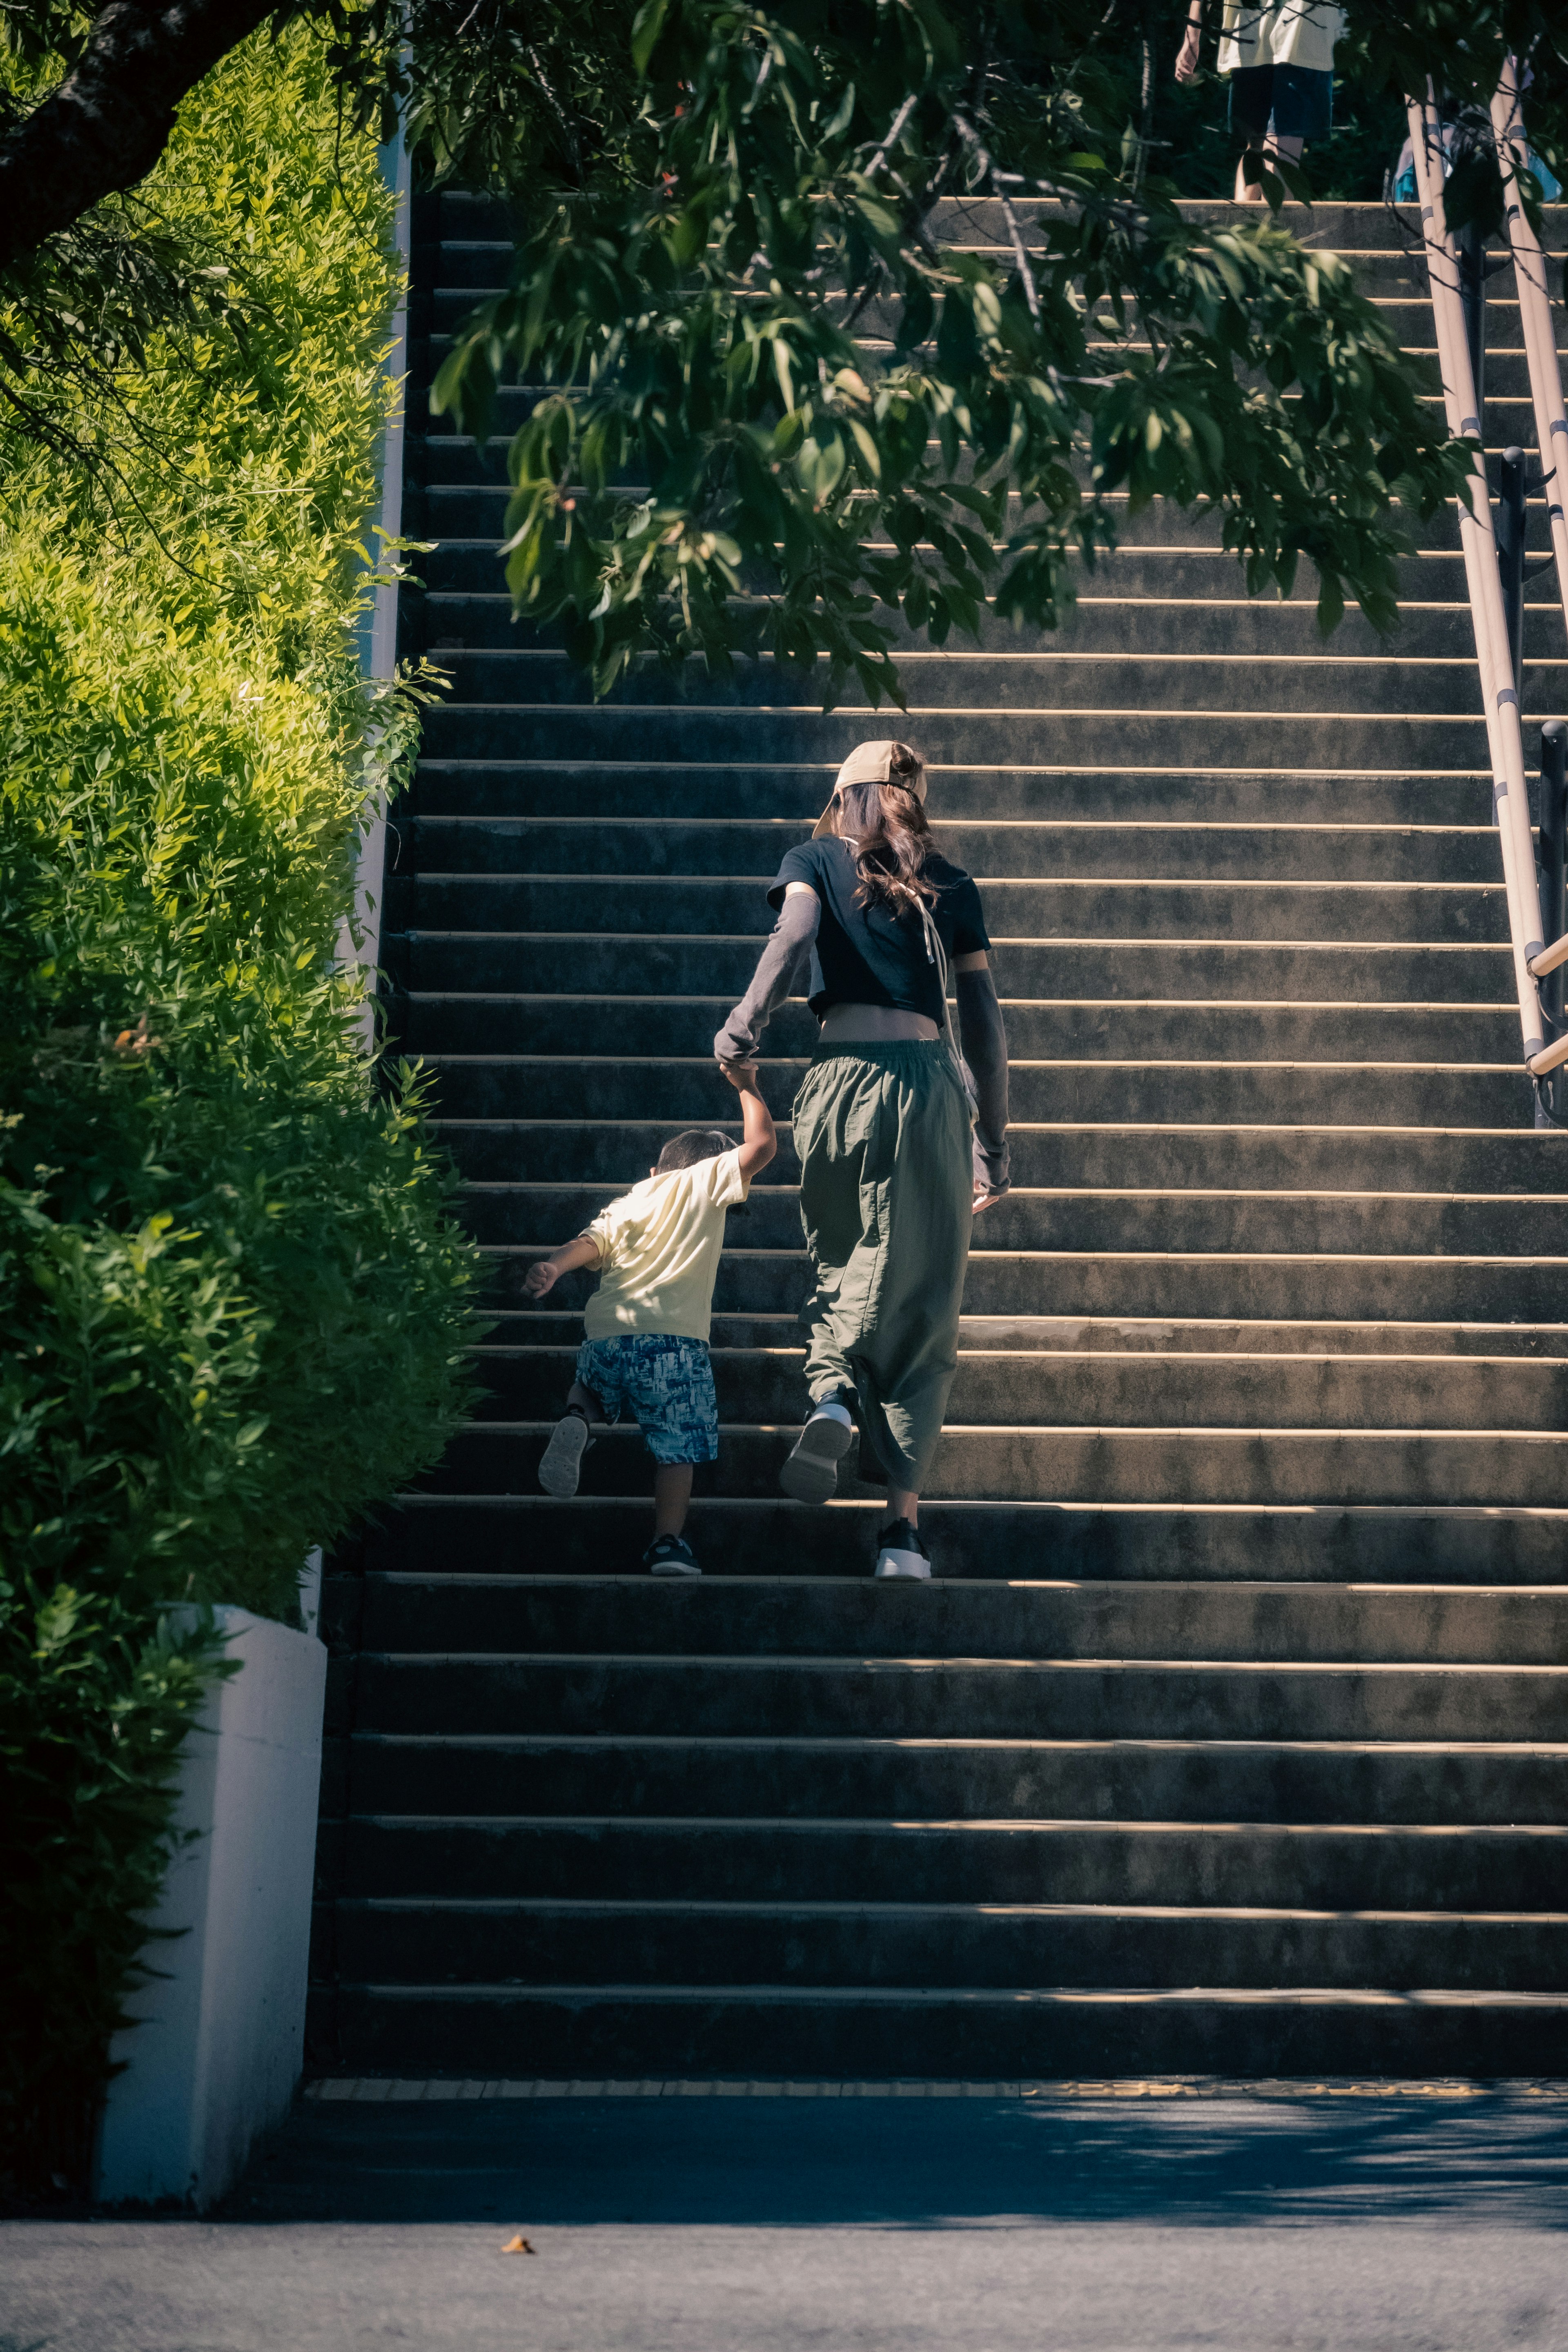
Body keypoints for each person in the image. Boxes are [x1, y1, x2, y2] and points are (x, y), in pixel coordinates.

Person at [713, 740, 1010, 1582]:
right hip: (927, 1093)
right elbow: (984, 1018)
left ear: (846, 800)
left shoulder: (811, 858)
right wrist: (995, 1142)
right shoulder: (951, 886)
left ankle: (834, 1394)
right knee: (924, 1302)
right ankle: (901, 1536)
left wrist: (744, 1023)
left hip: (838, 1082)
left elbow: (795, 930)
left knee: (841, 1261)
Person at [523, 1065, 776, 1575]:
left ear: (656, 1171)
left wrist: (553, 1265)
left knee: (590, 1390)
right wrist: (748, 1085)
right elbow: (763, 1148)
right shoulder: (704, 1183)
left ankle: (577, 1420)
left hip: (608, 1336)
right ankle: (667, 1543)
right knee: (676, 1448)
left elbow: (587, 1244)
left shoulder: (630, 1201)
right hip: (673, 1344)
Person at [1176, 0, 1343, 201]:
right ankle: (1265, 228)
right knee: (1268, 145)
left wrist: (1192, 37)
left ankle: (1252, 228)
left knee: (1267, 145)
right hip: (1277, 39)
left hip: (1275, 39)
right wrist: (1192, 37)